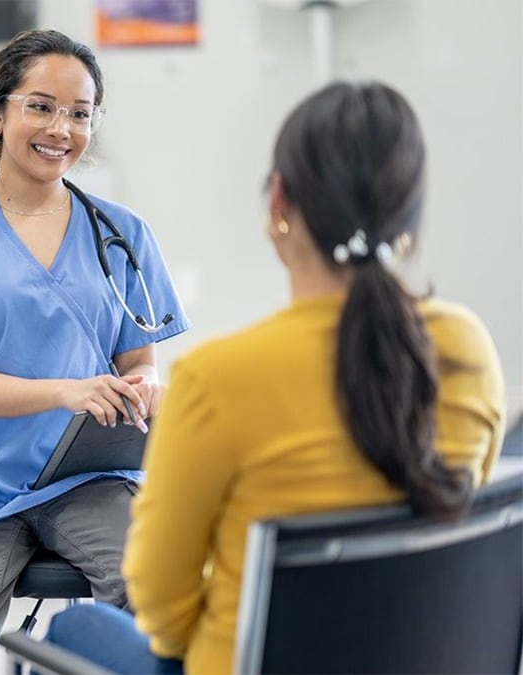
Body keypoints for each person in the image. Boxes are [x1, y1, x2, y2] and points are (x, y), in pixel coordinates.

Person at [45, 81, 506, 674]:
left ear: (278, 206)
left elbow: (162, 611)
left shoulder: (220, 378)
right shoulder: (467, 347)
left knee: (74, 625)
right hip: (423, 657)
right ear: (408, 217)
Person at [0, 29, 189, 674]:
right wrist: (67, 390)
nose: (62, 128)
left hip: (91, 475)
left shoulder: (123, 233)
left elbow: (140, 361)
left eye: (79, 114)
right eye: (41, 106)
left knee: (159, 607)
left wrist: (140, 388)